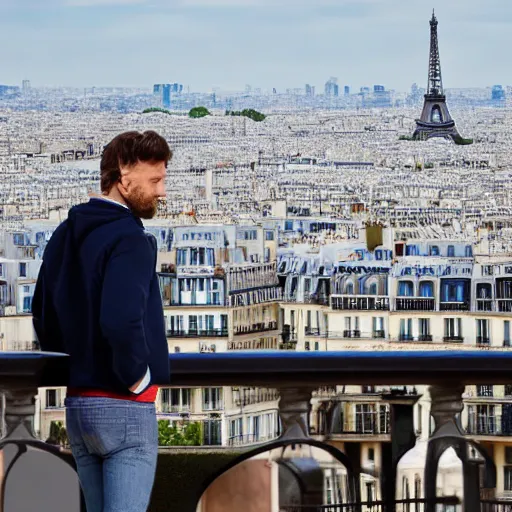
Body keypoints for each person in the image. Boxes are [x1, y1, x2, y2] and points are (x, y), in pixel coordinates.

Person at [32, 130, 172, 511]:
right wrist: (137, 379)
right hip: (125, 405)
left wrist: (80, 362)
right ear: (124, 176)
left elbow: (43, 316)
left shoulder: (65, 233)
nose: (162, 191)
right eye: (155, 179)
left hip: (79, 407)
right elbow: (120, 321)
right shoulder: (129, 238)